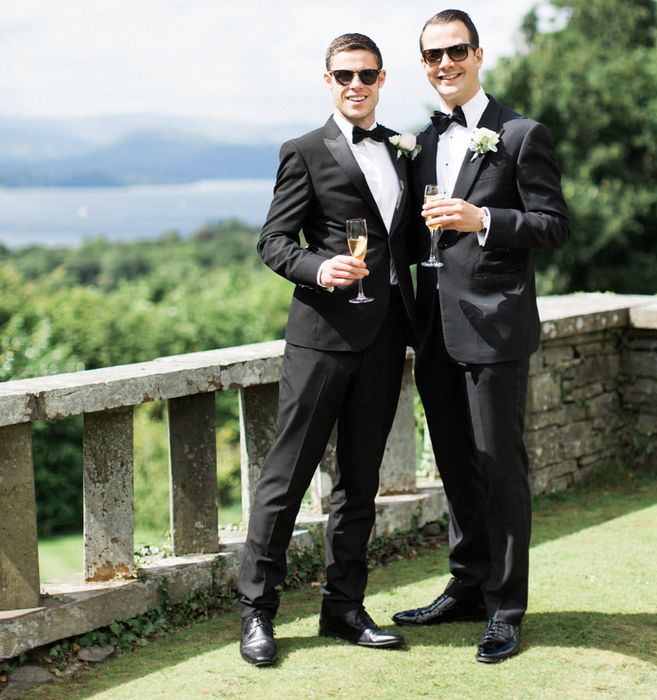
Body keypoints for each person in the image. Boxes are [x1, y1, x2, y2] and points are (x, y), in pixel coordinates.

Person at [391, 9, 570, 663]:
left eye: (456, 51)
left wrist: (482, 217)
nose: (446, 64)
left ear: (478, 54)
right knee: (455, 464)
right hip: (434, 327)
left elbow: (553, 225)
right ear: (423, 64)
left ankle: (505, 608)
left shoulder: (521, 134)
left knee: (500, 469)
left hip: (496, 327)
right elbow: (408, 233)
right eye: (433, 55)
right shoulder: (420, 142)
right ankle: (466, 584)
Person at [238, 32, 417, 666]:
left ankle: (344, 606)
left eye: (366, 74)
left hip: (388, 333)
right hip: (320, 339)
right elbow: (274, 240)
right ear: (328, 80)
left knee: (360, 482)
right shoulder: (304, 151)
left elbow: (409, 240)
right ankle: (258, 612)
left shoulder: (403, 148)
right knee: (285, 479)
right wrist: (319, 269)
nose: (356, 84)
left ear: (382, 78)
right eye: (344, 74)